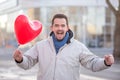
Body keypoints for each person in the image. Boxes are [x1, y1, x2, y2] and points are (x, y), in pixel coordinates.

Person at [13, 13, 114, 80]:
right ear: (52, 28)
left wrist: (105, 62)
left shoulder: (78, 47)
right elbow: (28, 62)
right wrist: (20, 60)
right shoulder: (40, 46)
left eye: (62, 25)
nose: (59, 28)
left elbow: (92, 63)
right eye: (56, 25)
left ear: (67, 27)